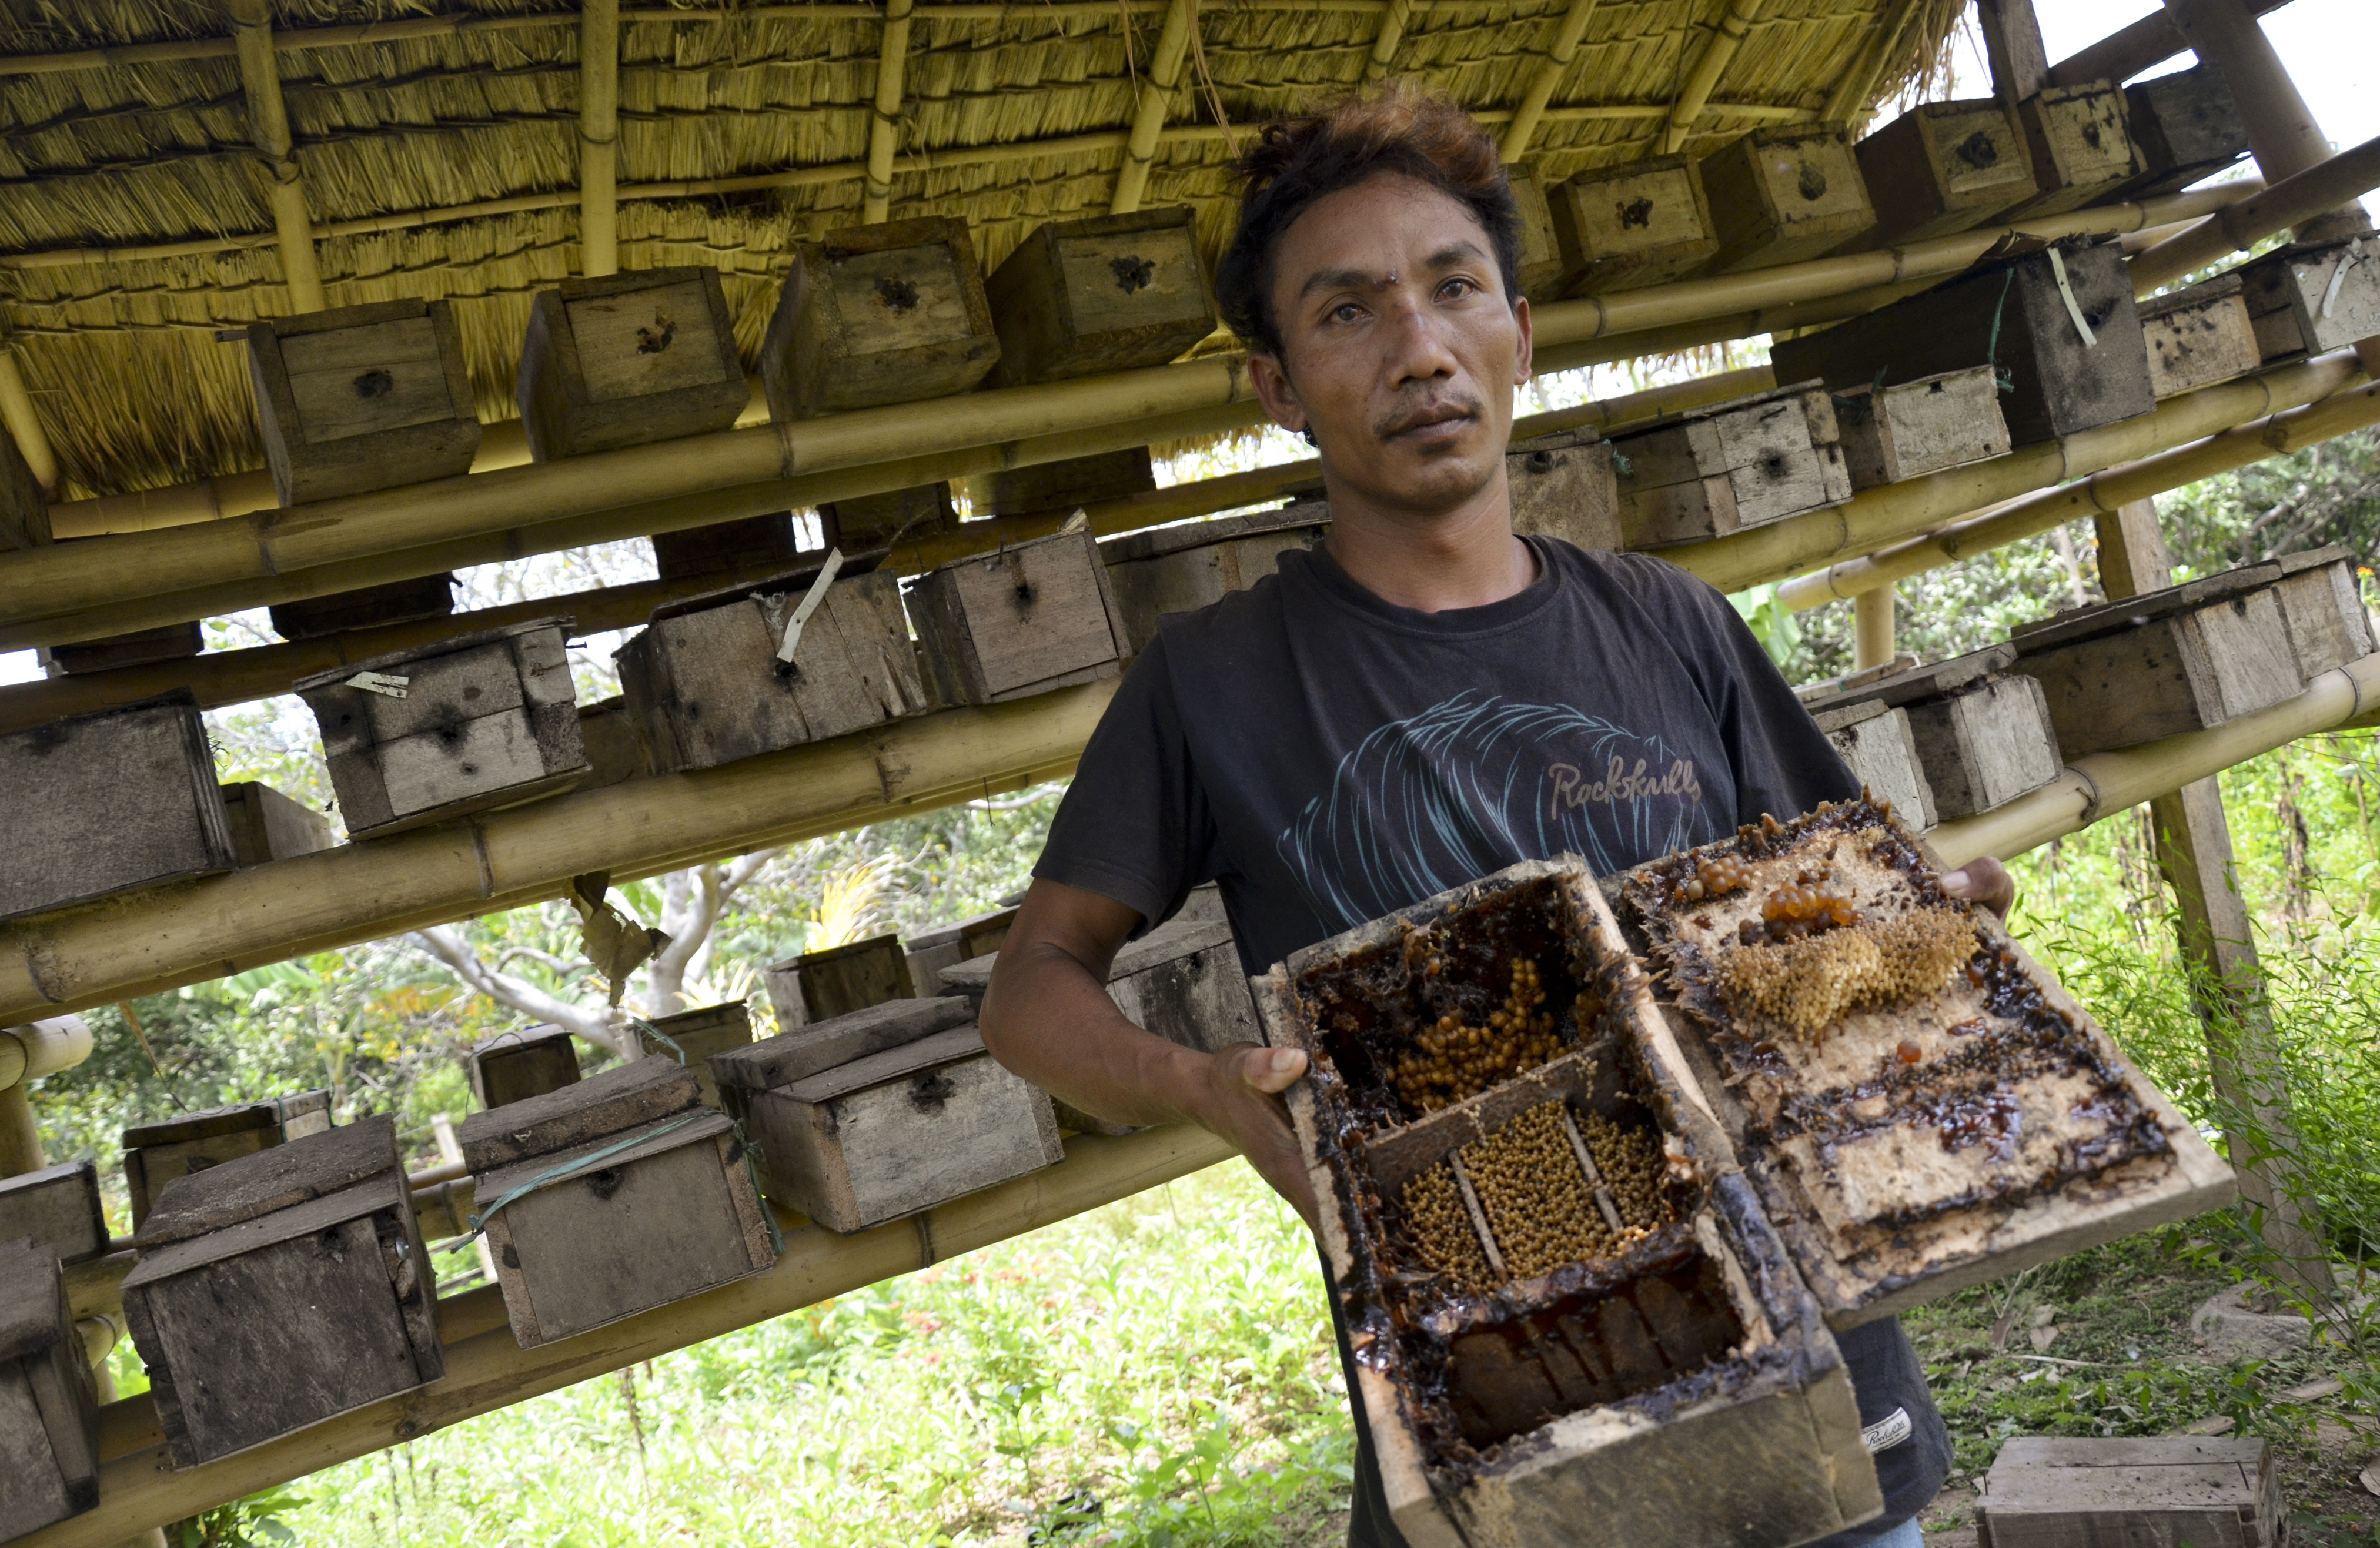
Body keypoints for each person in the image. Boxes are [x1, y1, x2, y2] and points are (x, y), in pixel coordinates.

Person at [978, 85, 2010, 1548]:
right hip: (1490, 1403)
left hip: (1811, 1377)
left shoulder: (1674, 625)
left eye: (1451, 290)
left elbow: (1834, 901)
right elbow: (1027, 993)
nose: (1416, 350)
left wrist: (1926, 937)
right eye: (1346, 315)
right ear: (1275, 386)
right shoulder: (1209, 685)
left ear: (1515, 334)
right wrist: (1197, 1085)